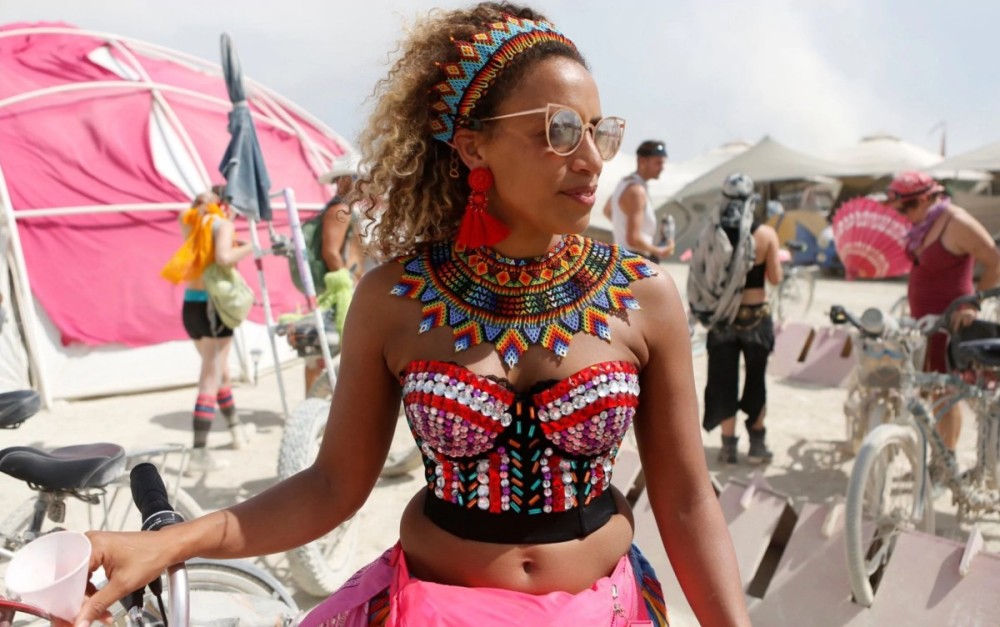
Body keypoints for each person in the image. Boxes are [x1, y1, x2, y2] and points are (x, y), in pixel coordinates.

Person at [77, 4, 750, 626]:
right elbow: (332, 485)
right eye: (561, 130)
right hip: (429, 610)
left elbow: (686, 499)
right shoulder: (393, 297)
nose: (592, 159)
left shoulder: (644, 293)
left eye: (600, 131)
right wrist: (173, 543)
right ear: (473, 147)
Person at [890, 171, 1000, 473]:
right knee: (928, 390)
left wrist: (972, 303)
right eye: (899, 208)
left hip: (951, 321)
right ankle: (938, 459)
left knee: (945, 393)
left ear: (928, 198)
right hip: (924, 321)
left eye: (908, 206)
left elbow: (995, 261)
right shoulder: (925, 224)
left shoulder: (957, 222)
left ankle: (945, 463)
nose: (904, 213)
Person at [688, 173, 782, 465]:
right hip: (756, 319)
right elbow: (775, 278)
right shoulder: (765, 235)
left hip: (721, 319)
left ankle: (728, 447)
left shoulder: (711, 233)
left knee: (722, 380)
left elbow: (700, 272)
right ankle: (757, 445)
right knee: (756, 381)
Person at [160, 191, 255, 472]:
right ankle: (199, 453)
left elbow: (184, 216)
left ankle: (236, 430)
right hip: (214, 308)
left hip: (192, 305)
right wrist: (250, 246)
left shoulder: (191, 221)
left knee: (221, 373)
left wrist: (202, 205)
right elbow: (224, 258)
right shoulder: (222, 224)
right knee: (210, 379)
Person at [302, 157, 364, 395]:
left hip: (337, 289)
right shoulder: (340, 210)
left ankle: (313, 401)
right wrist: (346, 284)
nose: (364, 185)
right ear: (346, 180)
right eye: (359, 179)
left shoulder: (342, 208)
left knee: (322, 353)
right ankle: (313, 402)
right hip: (338, 292)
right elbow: (330, 252)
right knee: (322, 353)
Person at [604, 139, 674, 261]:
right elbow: (633, 239)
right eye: (658, 163)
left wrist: (622, 226)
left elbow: (607, 210)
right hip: (633, 260)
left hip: (624, 256)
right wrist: (659, 251)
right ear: (642, 161)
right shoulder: (637, 191)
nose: (662, 167)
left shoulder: (625, 183)